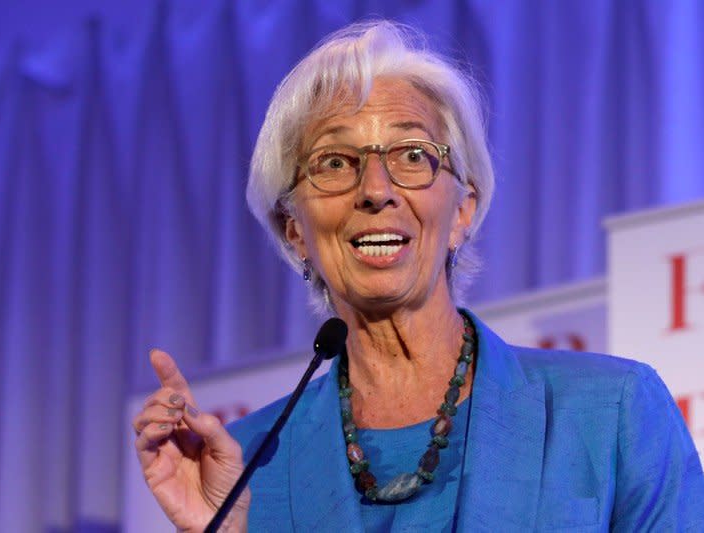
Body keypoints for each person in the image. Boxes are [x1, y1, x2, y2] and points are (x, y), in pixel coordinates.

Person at [133, 21, 704, 532]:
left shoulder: (613, 415)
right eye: (334, 163)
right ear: (294, 229)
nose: (376, 190)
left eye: (412, 154)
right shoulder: (245, 465)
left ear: (462, 211)